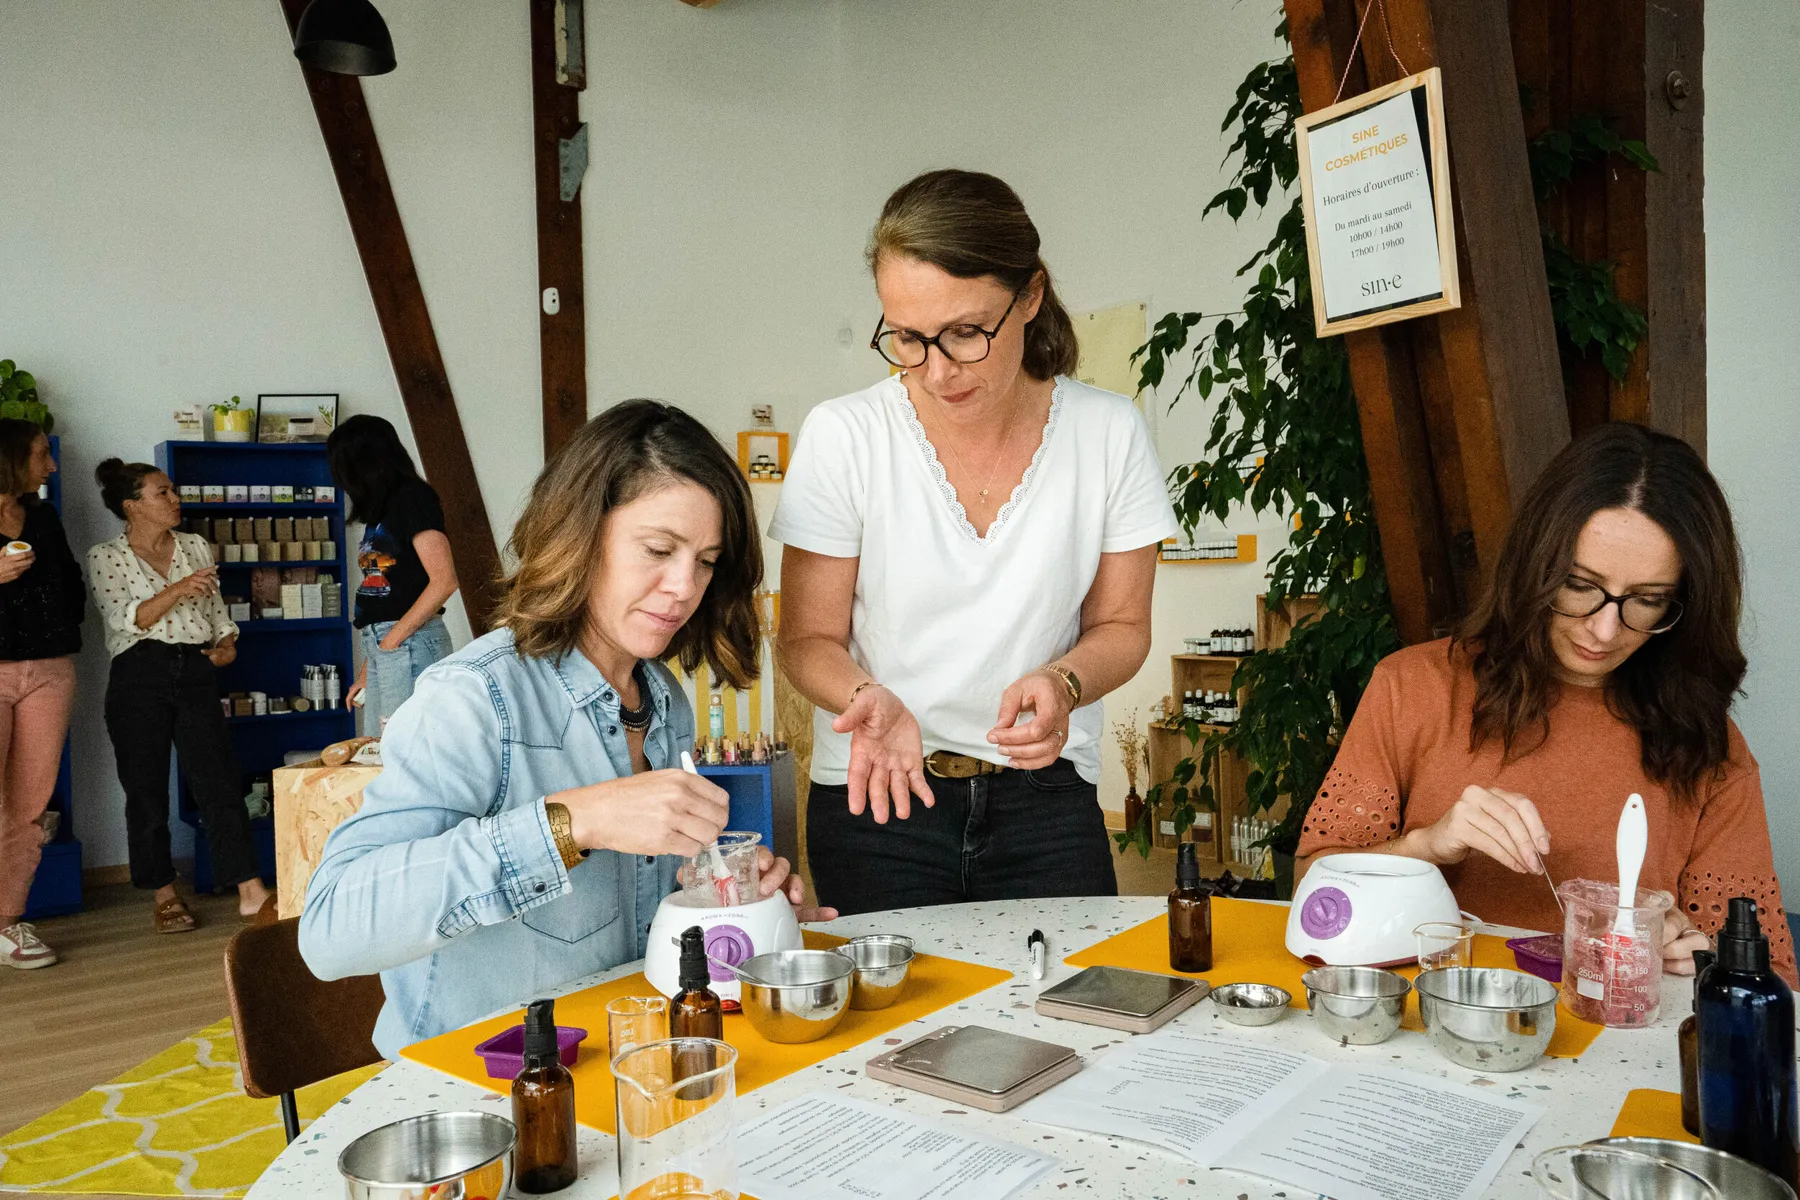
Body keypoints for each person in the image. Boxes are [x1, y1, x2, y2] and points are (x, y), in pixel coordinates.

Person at [300, 401, 833, 1057]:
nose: (684, 586)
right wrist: (568, 822)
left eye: (706, 561)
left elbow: (630, 922)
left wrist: (726, 906)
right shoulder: (473, 699)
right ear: (579, 536)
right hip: (474, 1094)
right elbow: (330, 931)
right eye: (659, 550)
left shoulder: (662, 700)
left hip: (616, 1070)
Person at [772, 169, 1179, 915]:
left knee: (1069, 1015)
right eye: (906, 338)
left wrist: (1065, 683)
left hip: (1046, 797)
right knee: (892, 1028)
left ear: (1029, 296)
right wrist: (870, 699)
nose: (935, 369)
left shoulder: (1107, 432)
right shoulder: (846, 434)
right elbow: (803, 639)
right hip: (879, 793)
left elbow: (1122, 627)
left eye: (965, 332)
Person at [1296, 422, 1793, 981]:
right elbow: (1314, 888)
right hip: (1421, 1036)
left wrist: (1697, 960)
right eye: (1579, 585)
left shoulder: (1709, 747)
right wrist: (1429, 844)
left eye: (1648, 600)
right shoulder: (1414, 687)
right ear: (1536, 563)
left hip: (1614, 1055)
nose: (1605, 631)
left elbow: (1770, 976)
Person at [88, 459, 273, 932]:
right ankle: (164, 894)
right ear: (132, 506)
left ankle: (250, 890)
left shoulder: (193, 545)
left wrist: (227, 643)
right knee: (144, 789)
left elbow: (214, 611)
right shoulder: (106, 556)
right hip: (137, 672)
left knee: (218, 779)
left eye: (173, 491)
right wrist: (179, 588)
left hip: (194, 667)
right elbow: (126, 618)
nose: (175, 500)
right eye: (162, 493)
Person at [0, 421, 83, 968]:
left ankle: (7, 924)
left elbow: (70, 583)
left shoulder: (44, 515)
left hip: (50, 671)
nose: (49, 465)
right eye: (39, 455)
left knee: (29, 805)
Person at [327, 415, 459, 727]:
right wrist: (368, 667)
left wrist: (391, 642)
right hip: (389, 645)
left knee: (404, 754)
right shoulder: (383, 509)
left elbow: (445, 580)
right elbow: (381, 598)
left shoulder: (413, 498)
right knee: (379, 754)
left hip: (407, 642)